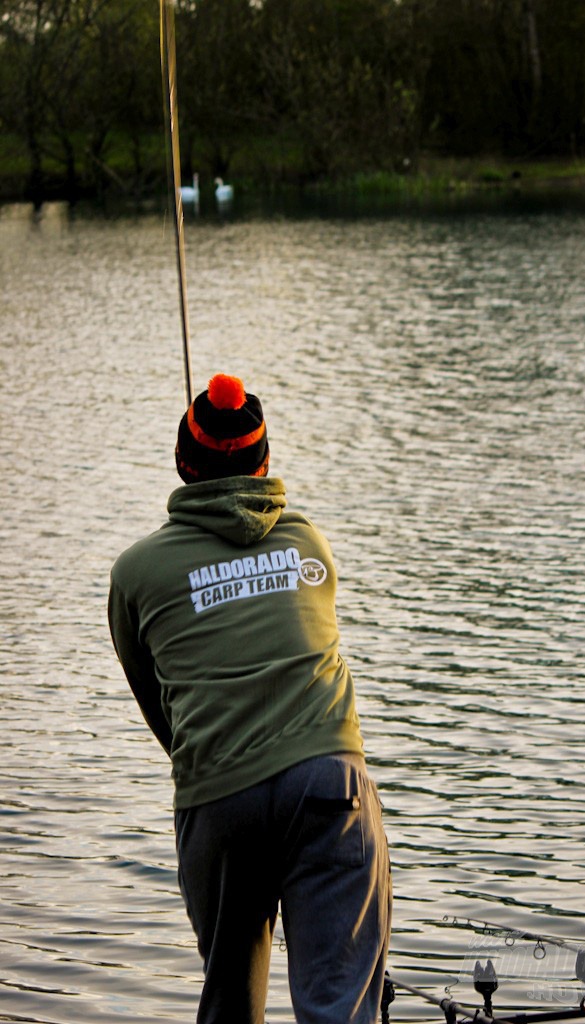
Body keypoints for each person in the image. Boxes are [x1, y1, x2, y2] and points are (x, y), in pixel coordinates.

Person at [108, 373, 392, 1024]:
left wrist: (217, 764)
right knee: (341, 1007)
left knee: (231, 1006)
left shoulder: (135, 572)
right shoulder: (306, 542)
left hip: (220, 794)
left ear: (183, 462)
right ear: (266, 464)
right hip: (328, 782)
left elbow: (165, 715)